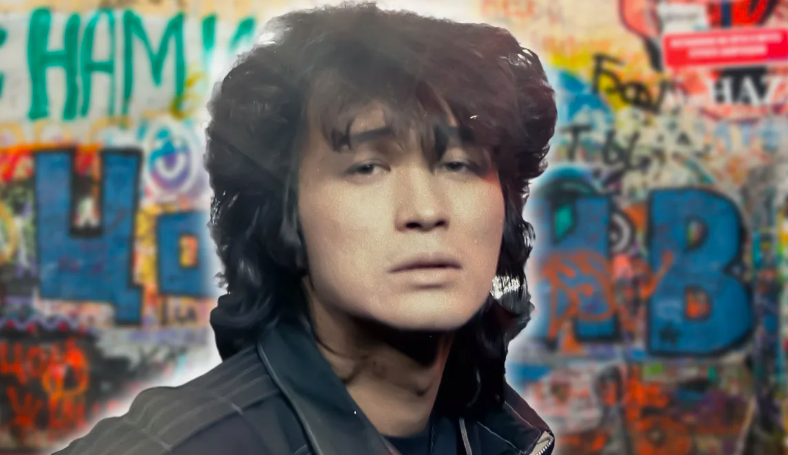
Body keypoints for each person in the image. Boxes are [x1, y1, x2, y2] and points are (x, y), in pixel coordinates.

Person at [54, 2, 557, 455]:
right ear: (284, 212)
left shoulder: (502, 434)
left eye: (459, 164)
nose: (425, 210)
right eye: (367, 167)